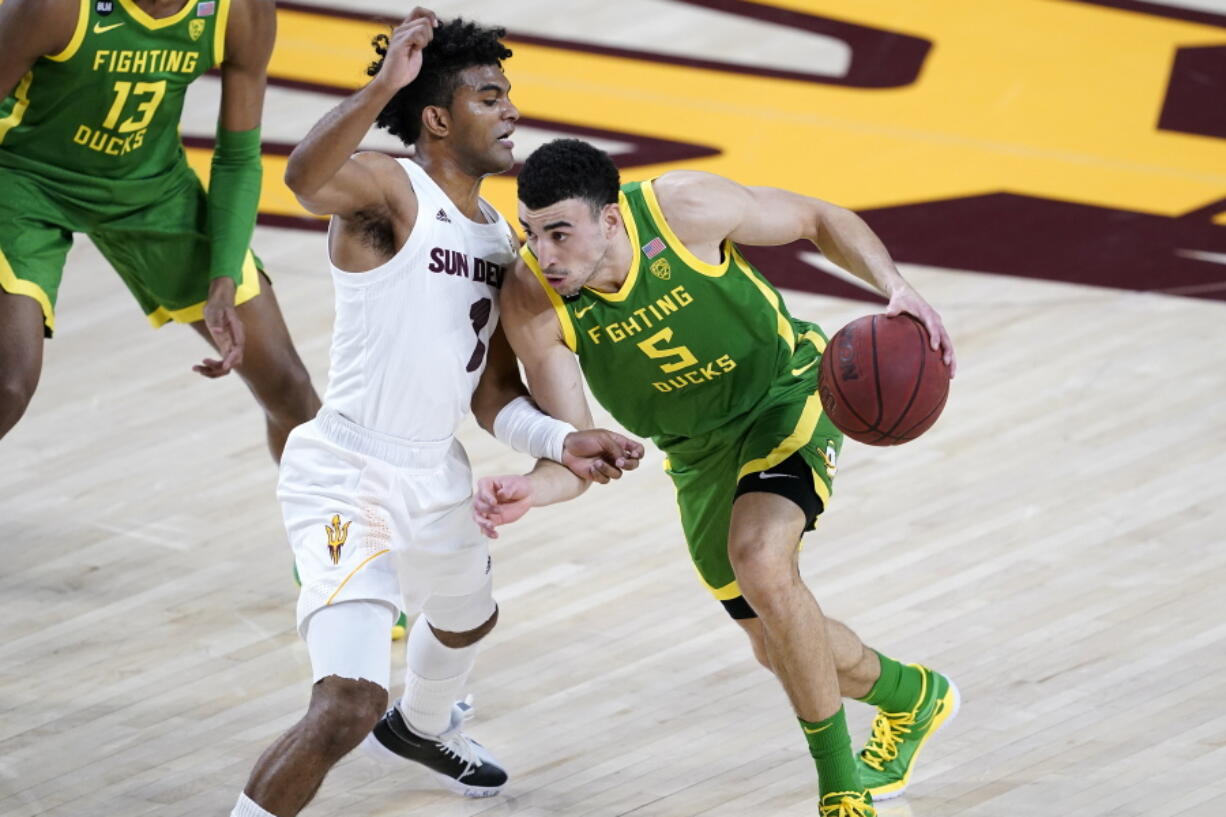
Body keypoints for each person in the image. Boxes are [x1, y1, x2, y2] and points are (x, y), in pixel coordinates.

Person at [228, 15, 643, 817]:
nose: (511, 110)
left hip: (434, 468)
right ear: (439, 119)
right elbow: (304, 181)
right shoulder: (391, 191)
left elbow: (489, 394)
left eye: (509, 94)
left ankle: (420, 726)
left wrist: (565, 438)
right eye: (491, 96)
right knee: (347, 703)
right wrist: (383, 84)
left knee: (467, 618)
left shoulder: (497, 239)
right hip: (348, 473)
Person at [475, 138, 961, 817]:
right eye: (531, 232)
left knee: (761, 560)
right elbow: (574, 455)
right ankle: (913, 696)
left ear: (610, 220)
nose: (543, 252)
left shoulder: (683, 210)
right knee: (777, 644)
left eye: (560, 232)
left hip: (783, 398)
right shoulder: (533, 301)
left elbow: (820, 218)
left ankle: (841, 788)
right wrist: (534, 487)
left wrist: (895, 287)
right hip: (696, 455)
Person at [0, 0, 318, 461]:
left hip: (151, 189)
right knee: (10, 382)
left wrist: (224, 276)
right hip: (24, 179)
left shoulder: (240, 10)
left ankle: (339, 533)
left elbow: (237, 156)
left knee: (289, 384)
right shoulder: (53, 7)